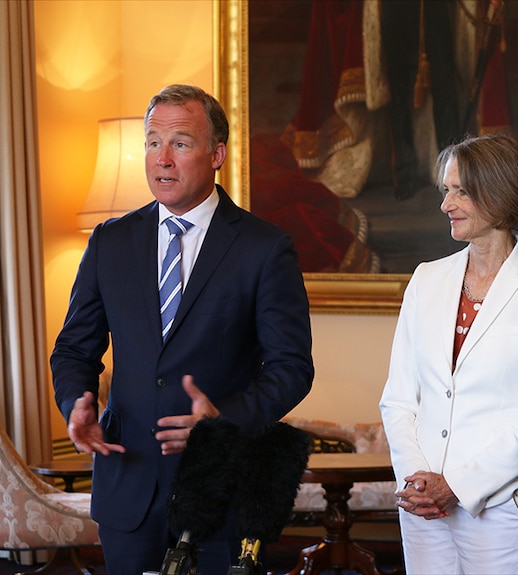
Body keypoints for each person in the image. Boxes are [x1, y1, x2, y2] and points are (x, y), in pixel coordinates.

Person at [51, 84, 314, 574]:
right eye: (152, 142)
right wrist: (76, 402)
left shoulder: (265, 247)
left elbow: (292, 367)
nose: (162, 159)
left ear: (217, 154)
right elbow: (73, 350)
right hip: (128, 485)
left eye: (180, 143)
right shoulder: (110, 242)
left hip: (222, 491)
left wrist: (223, 421)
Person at [379, 133, 518, 574]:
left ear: (497, 193)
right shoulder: (426, 280)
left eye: (460, 190)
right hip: (421, 505)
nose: (446, 204)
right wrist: (419, 480)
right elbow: (399, 398)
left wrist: (455, 486)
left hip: (498, 510)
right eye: (447, 190)